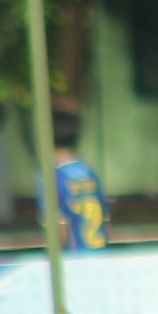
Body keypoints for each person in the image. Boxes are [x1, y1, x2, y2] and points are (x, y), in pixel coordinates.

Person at [48, 108, 110, 252]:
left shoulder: (54, 177)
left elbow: (59, 226)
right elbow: (105, 217)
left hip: (75, 259)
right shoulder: (89, 172)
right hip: (101, 254)